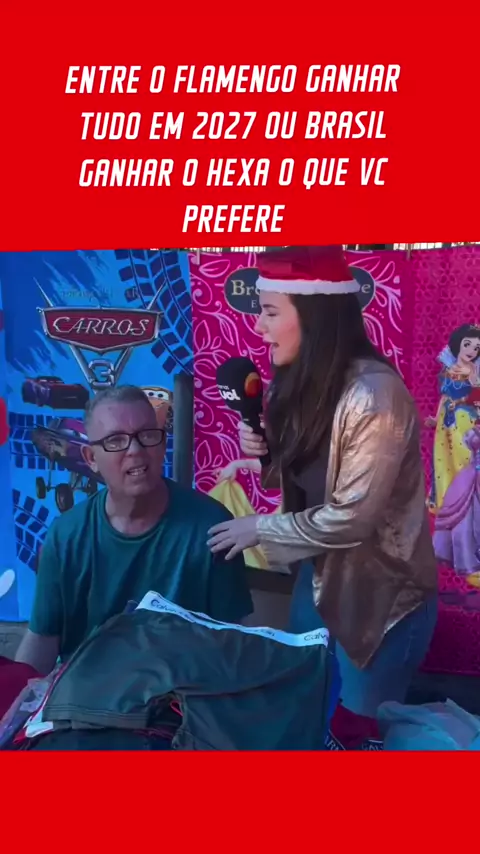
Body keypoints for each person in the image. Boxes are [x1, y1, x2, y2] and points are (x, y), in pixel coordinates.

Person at [207, 245, 438, 722]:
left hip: (380, 607)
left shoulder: (374, 395)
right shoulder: (298, 383)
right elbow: (305, 481)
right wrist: (267, 453)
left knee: (357, 735)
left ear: (314, 315)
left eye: (271, 312)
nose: (258, 326)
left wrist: (258, 529)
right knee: (306, 718)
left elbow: (351, 518)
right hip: (316, 586)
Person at [16, 385, 253, 677]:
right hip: (86, 694)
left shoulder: (212, 526)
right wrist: (16, 695)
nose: (136, 450)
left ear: (162, 444)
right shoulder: (65, 536)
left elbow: (233, 640)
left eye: (147, 435)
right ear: (91, 458)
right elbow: (42, 638)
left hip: (183, 694)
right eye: (116, 440)